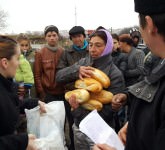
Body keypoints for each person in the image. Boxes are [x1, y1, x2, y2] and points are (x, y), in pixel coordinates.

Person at [56, 27, 125, 150]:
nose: (92, 49)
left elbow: (107, 113)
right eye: (91, 45)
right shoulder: (83, 63)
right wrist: (76, 70)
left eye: (98, 45)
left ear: (108, 46)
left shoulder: (115, 74)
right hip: (79, 128)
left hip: (100, 132)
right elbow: (59, 77)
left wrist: (77, 111)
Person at [112, 0, 165, 149]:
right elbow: (151, 85)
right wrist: (138, 122)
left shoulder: (142, 55)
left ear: (149, 24)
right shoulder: (157, 60)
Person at [0, 35, 45, 150]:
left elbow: (11, 106)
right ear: (5, 63)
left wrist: (34, 103)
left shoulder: (7, 85)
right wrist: (22, 142)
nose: (19, 63)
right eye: (17, 58)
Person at [57, 25, 89, 150]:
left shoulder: (92, 51)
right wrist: (76, 71)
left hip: (91, 95)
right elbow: (60, 75)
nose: (77, 39)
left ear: (84, 36)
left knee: (89, 124)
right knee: (73, 124)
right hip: (72, 95)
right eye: (74, 37)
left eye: (79, 36)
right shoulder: (66, 53)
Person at [34, 25, 64, 102]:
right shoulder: (40, 53)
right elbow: (37, 75)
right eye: (49, 36)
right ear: (45, 37)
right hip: (47, 93)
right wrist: (42, 93)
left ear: (58, 36)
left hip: (62, 92)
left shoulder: (63, 51)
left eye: (54, 35)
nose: (52, 38)